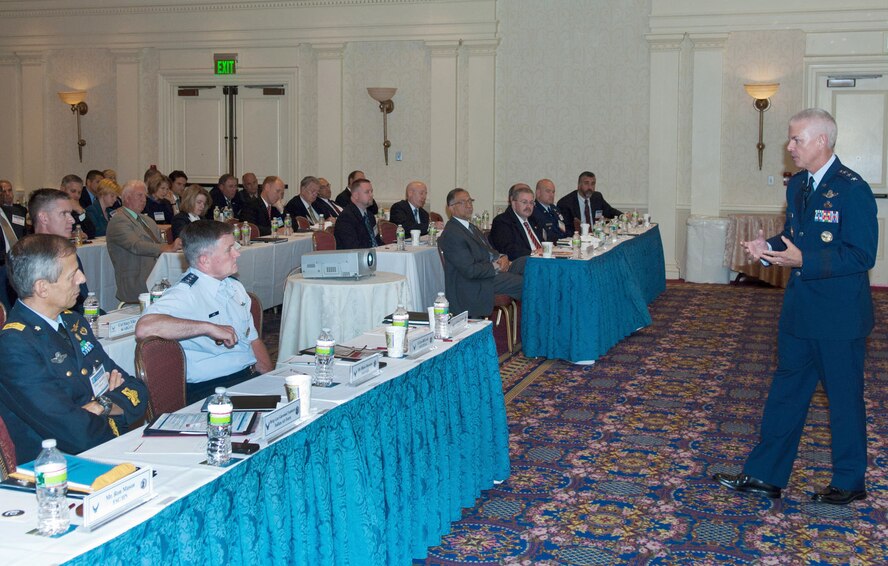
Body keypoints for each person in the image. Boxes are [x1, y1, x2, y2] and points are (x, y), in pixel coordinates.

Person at [714, 108, 877, 506]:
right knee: (785, 393)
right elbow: (794, 236)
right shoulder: (798, 185)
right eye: (790, 139)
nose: (789, 147)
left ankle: (849, 482)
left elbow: (862, 255)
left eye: (796, 140)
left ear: (822, 141)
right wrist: (767, 249)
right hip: (800, 312)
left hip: (839, 318)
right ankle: (765, 475)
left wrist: (803, 260)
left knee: (843, 400)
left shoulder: (853, 189)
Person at [0, 234, 148, 462]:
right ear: (42, 288)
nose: (82, 278)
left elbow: (137, 391)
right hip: (59, 468)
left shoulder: (73, 322)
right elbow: (74, 432)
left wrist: (100, 404)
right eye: (72, 274)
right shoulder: (14, 345)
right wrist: (111, 402)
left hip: (108, 450)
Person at [136, 220, 273, 403]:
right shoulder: (186, 293)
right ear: (204, 260)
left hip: (247, 378)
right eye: (229, 249)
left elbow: (253, 340)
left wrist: (270, 381)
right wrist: (208, 327)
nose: (237, 254)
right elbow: (144, 327)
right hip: (212, 390)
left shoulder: (233, 287)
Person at [437, 188, 524, 317]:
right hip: (475, 283)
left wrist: (502, 257)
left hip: (489, 273)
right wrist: (496, 266)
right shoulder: (452, 234)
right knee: (527, 283)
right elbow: (470, 270)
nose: (468, 205)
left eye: (470, 201)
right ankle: (537, 325)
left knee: (529, 263)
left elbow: (489, 251)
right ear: (450, 208)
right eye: (462, 202)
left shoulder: (471, 227)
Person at [106, 180, 182, 304]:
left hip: (157, 276)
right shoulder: (118, 220)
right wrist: (167, 248)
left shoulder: (148, 220)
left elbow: (161, 243)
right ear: (127, 198)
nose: (144, 199)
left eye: (145, 196)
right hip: (136, 281)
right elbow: (136, 246)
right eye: (139, 195)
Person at [489, 185, 544, 260]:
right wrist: (534, 253)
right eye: (524, 202)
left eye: (531, 203)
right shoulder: (502, 221)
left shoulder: (534, 221)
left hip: (542, 260)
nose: (528, 206)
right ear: (514, 203)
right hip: (523, 263)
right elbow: (508, 250)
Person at [557, 171, 621, 231]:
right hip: (578, 239)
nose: (590, 187)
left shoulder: (597, 197)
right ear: (579, 185)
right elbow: (566, 229)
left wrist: (623, 216)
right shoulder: (566, 203)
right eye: (586, 183)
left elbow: (610, 211)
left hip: (596, 236)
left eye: (593, 184)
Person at [334, 178, 383, 249]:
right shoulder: (346, 217)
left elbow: (377, 241)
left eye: (371, 191)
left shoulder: (370, 215)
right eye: (367, 192)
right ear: (356, 196)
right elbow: (352, 247)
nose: (371, 195)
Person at [0, 179, 27, 265]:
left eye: (9, 190)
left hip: (21, 259)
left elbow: (25, 234)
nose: (6, 194)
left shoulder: (16, 212)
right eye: (3, 192)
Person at [61, 174, 97, 238]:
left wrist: (81, 212)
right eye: (73, 191)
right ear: (63, 189)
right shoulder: (53, 207)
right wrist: (71, 235)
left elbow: (92, 233)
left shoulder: (78, 207)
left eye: (79, 192)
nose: (77, 196)